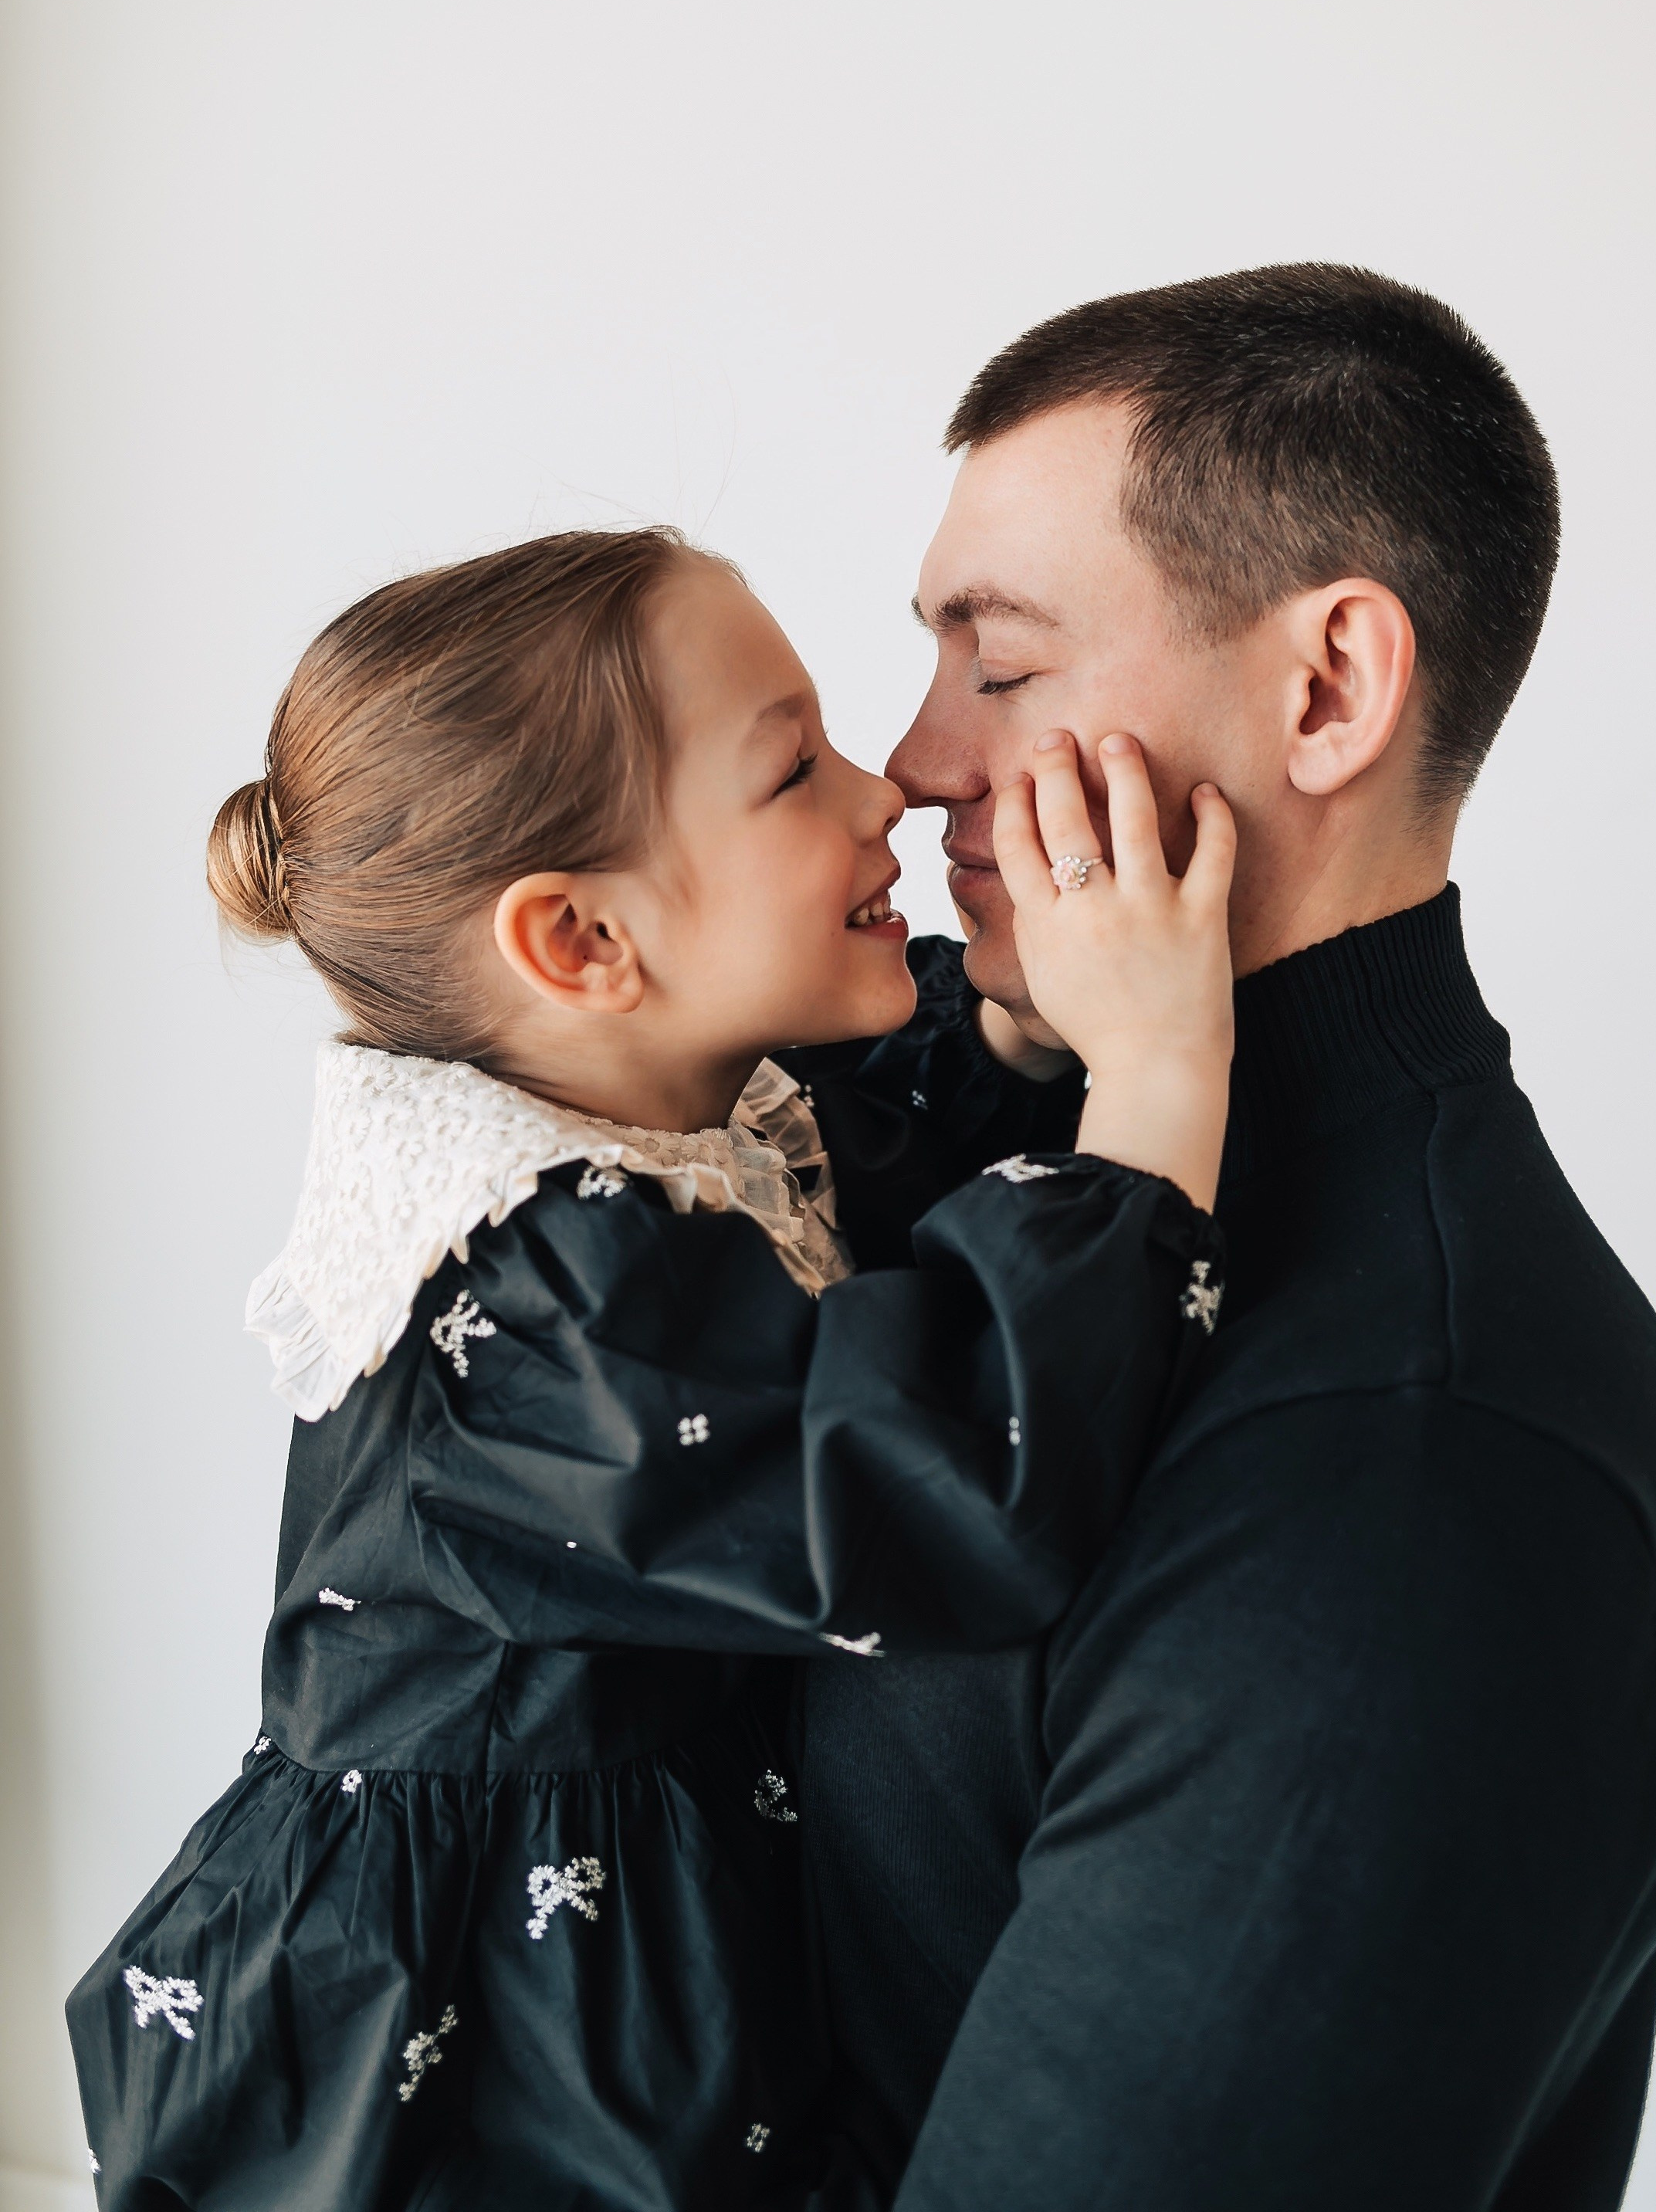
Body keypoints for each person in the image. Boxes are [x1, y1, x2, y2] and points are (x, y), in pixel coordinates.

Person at [66, 527, 1239, 2211]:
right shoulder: (537, 1310)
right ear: (584, 944)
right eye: (791, 770)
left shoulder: (701, 1123)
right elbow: (944, 1479)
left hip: (653, 1956)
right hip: (475, 2066)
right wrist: (1153, 1074)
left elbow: (879, 1169)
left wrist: (1015, 1034)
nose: (885, 791)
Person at [796, 266, 1656, 2211]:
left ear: (1325, 691)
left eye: (1004, 662)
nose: (912, 764)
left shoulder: (1418, 1481)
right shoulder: (983, 1139)